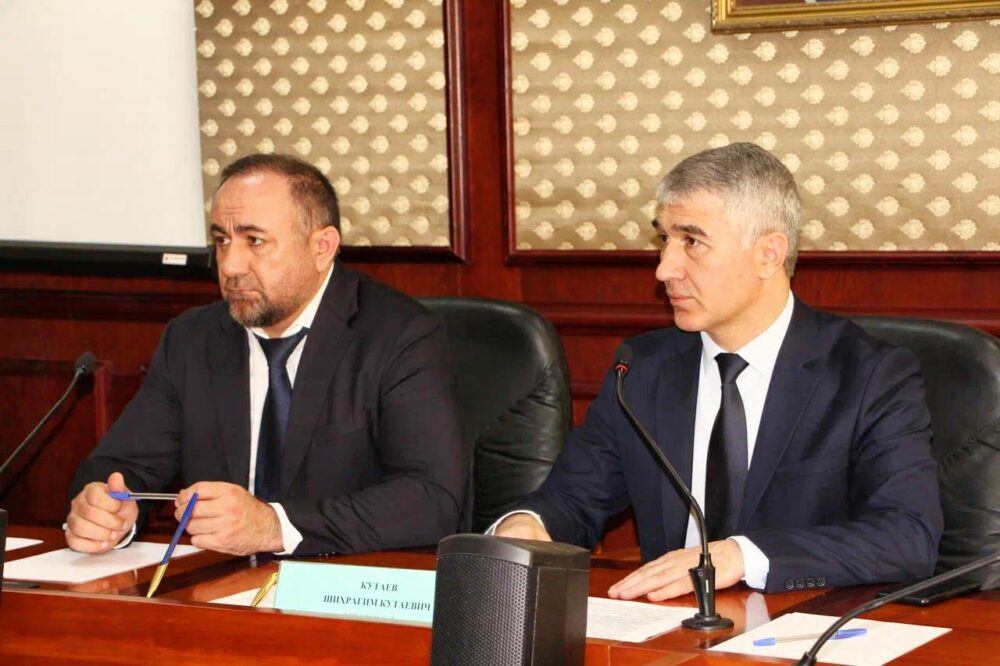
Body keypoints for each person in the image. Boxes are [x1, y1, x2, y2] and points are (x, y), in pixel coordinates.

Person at [494, 143, 943, 598]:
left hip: (804, 623)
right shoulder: (641, 369)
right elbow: (573, 498)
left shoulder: (870, 375)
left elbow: (907, 536)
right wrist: (527, 524)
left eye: (692, 241)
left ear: (769, 254)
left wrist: (742, 556)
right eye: (664, 240)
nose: (665, 269)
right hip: (668, 625)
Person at [65, 154, 465, 557]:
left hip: (347, 580)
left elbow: (431, 499)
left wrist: (275, 526)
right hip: (219, 580)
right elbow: (122, 465)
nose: (230, 265)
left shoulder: (401, 336)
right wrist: (103, 508)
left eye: (254, 241)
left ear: (322, 247)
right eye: (222, 240)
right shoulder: (193, 338)